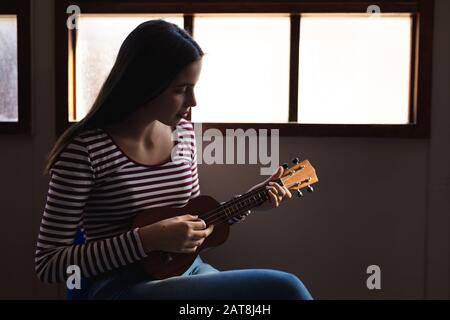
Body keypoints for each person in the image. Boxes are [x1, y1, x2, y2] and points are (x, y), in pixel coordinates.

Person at [35, 19, 312, 300]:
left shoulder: (184, 135)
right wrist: (148, 239)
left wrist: (251, 201)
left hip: (190, 273)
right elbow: (49, 263)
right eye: (181, 89)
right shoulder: (84, 151)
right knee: (284, 288)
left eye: (193, 87)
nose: (193, 101)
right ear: (145, 84)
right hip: (122, 286)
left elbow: (194, 223)